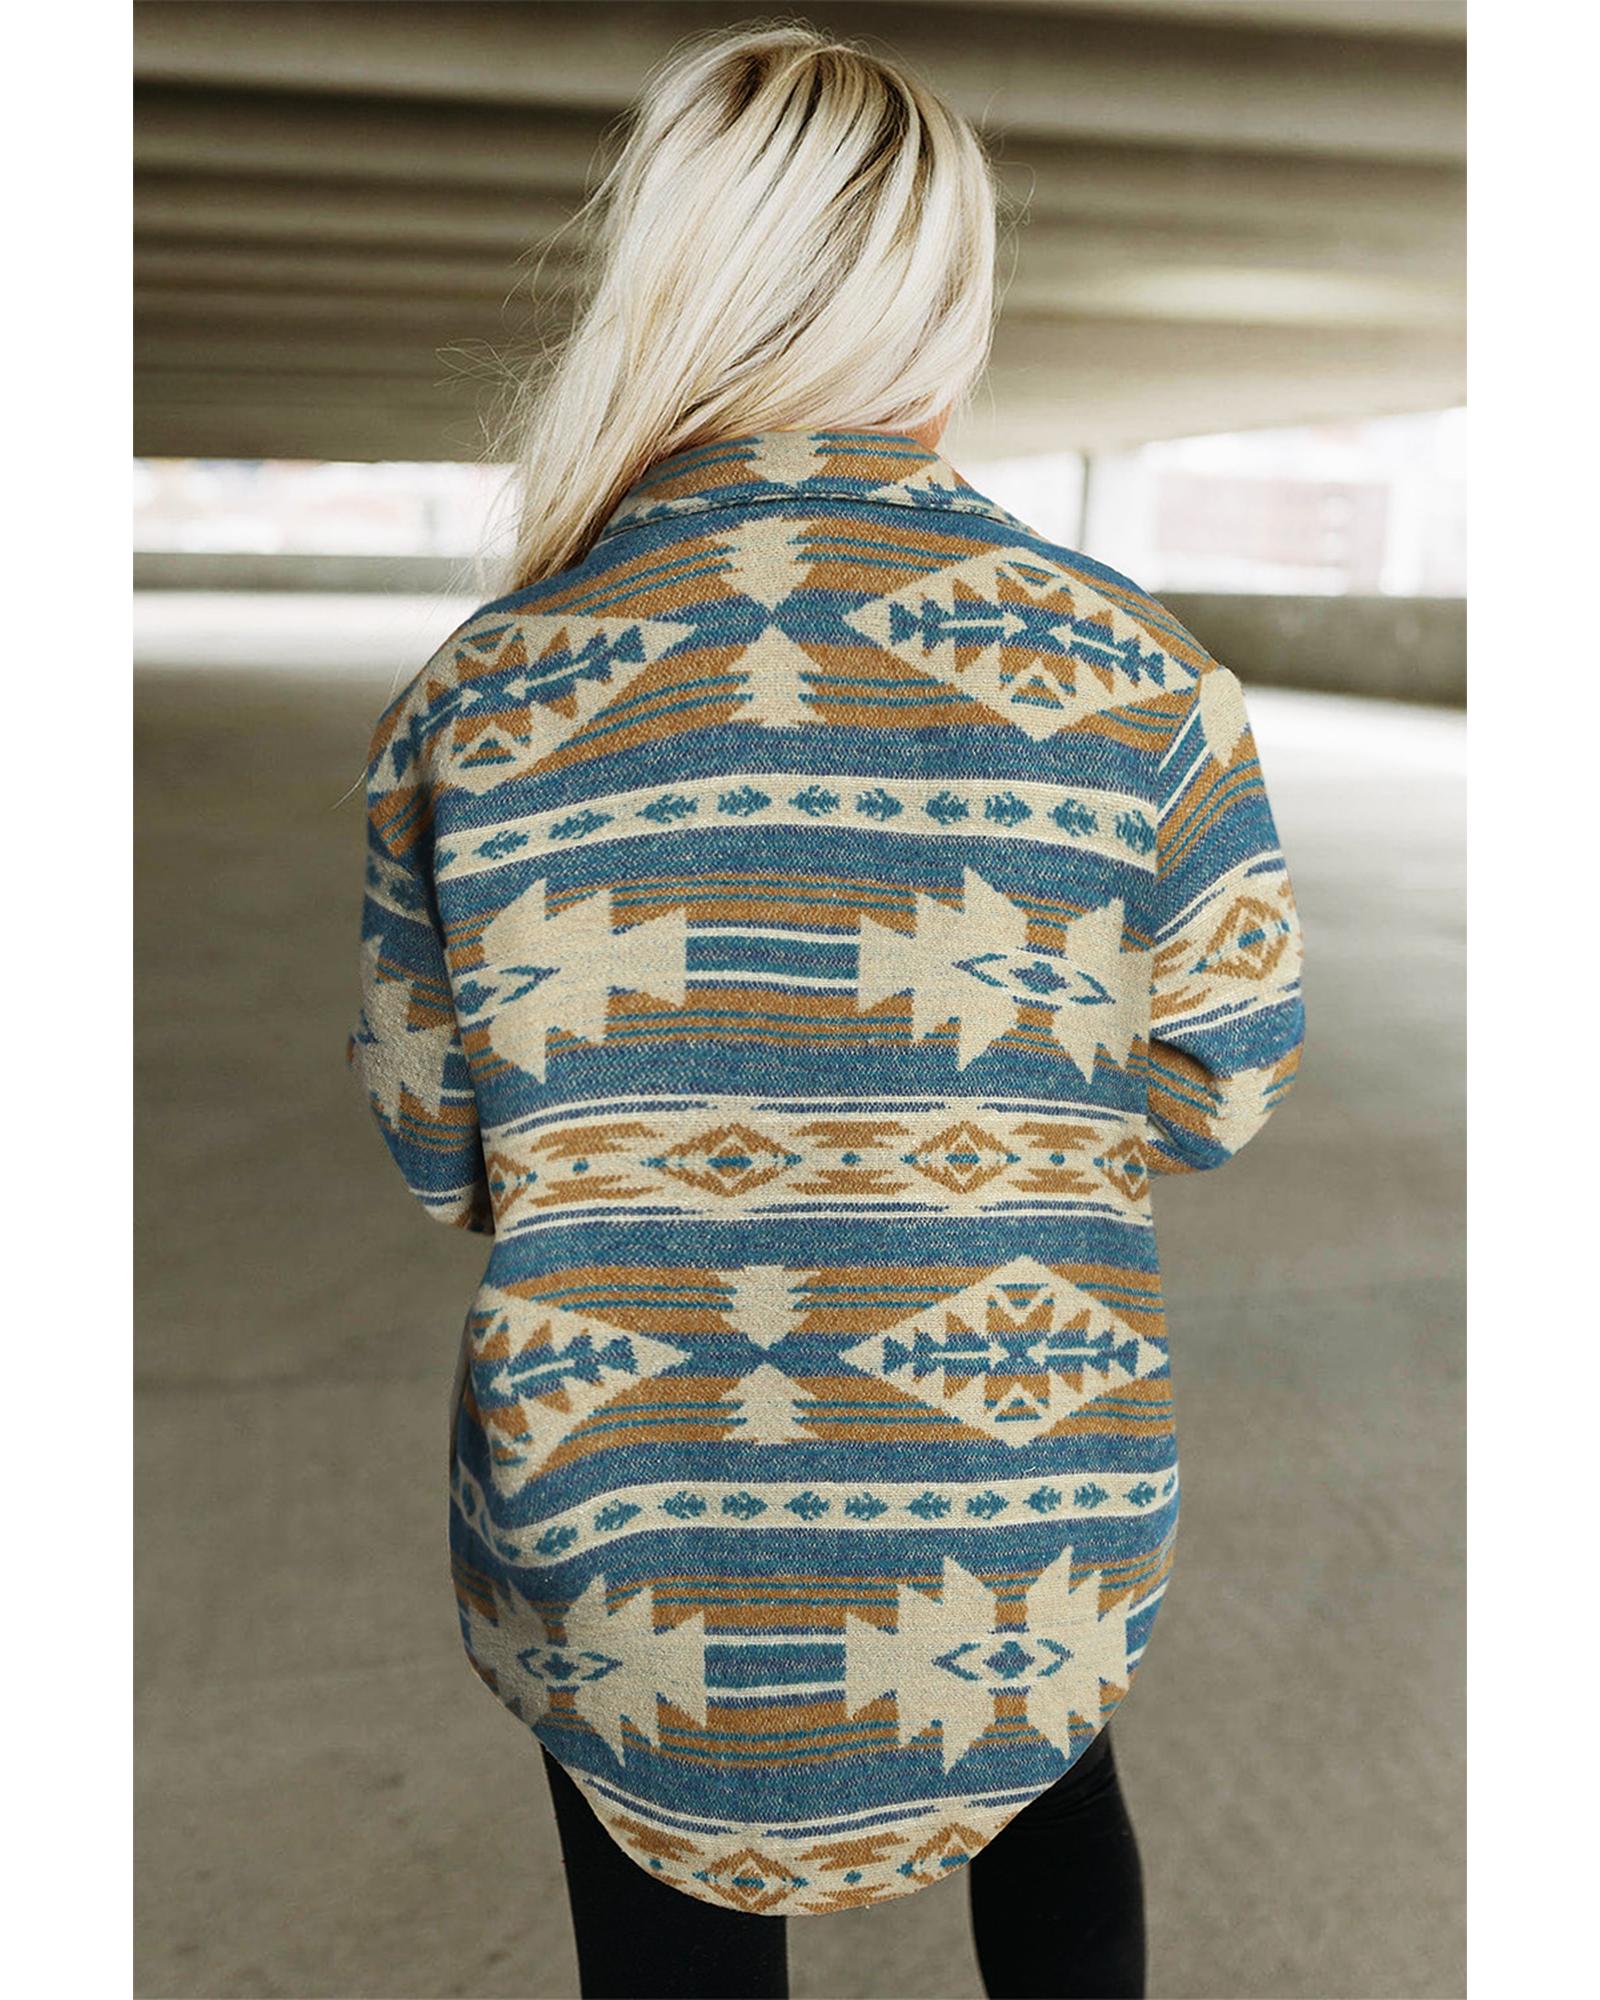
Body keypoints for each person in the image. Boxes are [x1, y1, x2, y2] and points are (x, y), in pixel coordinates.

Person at [347, 21, 1306, 2000]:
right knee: (1061, 1826)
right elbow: (1219, 1085)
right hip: (1015, 1476)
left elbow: (441, 1148)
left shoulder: (478, 698)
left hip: (623, 1512)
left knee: (664, 1931)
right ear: (942, 297)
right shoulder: (1138, 679)